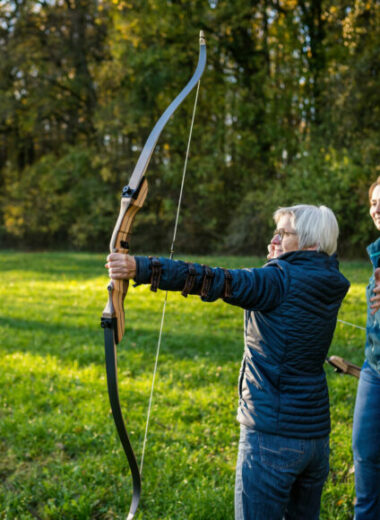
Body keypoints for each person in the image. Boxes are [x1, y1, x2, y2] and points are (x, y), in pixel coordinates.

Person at [106, 204, 350, 520]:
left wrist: (139, 267)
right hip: (316, 439)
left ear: (311, 243)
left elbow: (215, 279)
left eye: (283, 234)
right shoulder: (331, 280)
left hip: (271, 437)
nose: (273, 240)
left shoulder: (277, 280)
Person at [352, 177, 380, 519]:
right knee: (365, 455)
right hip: (374, 368)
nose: (376, 209)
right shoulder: (377, 252)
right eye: (373, 202)